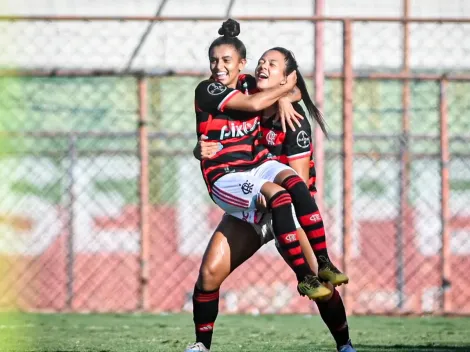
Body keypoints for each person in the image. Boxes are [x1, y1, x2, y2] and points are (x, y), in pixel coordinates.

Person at [185, 20, 353, 352]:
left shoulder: (295, 123)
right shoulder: (249, 96)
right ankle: (201, 346)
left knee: (320, 281)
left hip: (287, 208)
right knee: (209, 274)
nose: (263, 68)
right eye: (262, 62)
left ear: (284, 78)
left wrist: (289, 98)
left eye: (271, 65)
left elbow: (299, 182)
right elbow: (235, 116)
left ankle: (345, 345)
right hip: (251, 196)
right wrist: (197, 148)